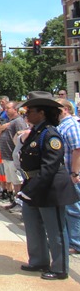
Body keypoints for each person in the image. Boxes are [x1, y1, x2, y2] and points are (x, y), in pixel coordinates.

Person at [18, 91, 79, 280]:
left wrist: (30, 189)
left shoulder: (50, 134)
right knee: (33, 224)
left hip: (49, 187)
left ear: (42, 113)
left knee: (55, 229)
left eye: (30, 111)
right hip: (33, 185)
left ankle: (60, 267)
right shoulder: (37, 132)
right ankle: (38, 260)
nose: (26, 115)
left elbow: (50, 167)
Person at [0, 102, 27, 211]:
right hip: (6, 155)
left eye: (8, 108)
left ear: (15, 109)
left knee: (17, 181)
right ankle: (15, 200)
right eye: (5, 108)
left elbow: (22, 137)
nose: (6, 110)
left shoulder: (18, 121)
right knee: (12, 180)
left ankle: (20, 202)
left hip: (14, 157)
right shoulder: (9, 122)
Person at [56, 98, 80, 255]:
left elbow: (77, 149)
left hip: (72, 175)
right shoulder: (62, 125)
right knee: (68, 209)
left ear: (65, 109)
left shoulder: (71, 125)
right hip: (65, 174)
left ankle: (76, 243)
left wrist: (74, 173)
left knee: (74, 209)